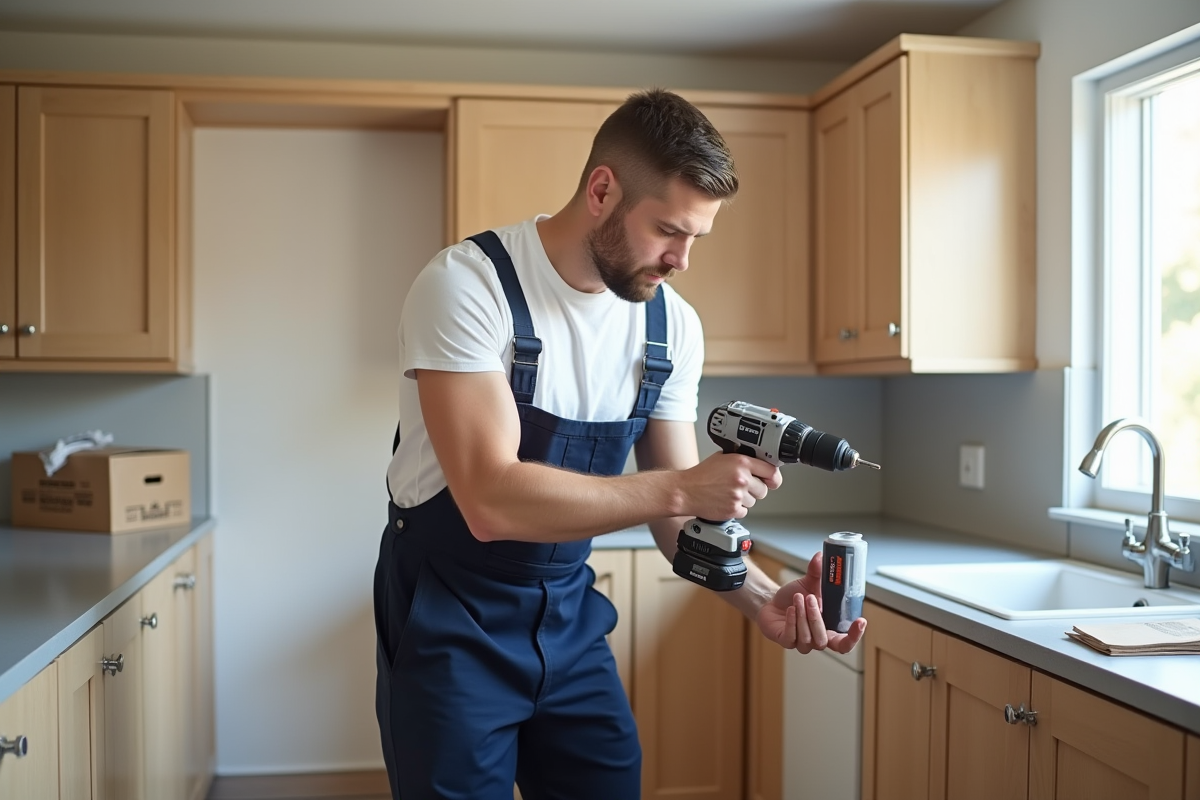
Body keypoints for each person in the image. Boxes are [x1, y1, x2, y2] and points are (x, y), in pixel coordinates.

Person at [374, 87, 867, 800]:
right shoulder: (466, 287)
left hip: (569, 614)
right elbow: (488, 501)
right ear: (602, 190)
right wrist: (684, 487)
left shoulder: (670, 327)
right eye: (670, 230)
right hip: (450, 617)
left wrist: (760, 599)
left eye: (698, 237)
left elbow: (678, 527)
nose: (683, 259)